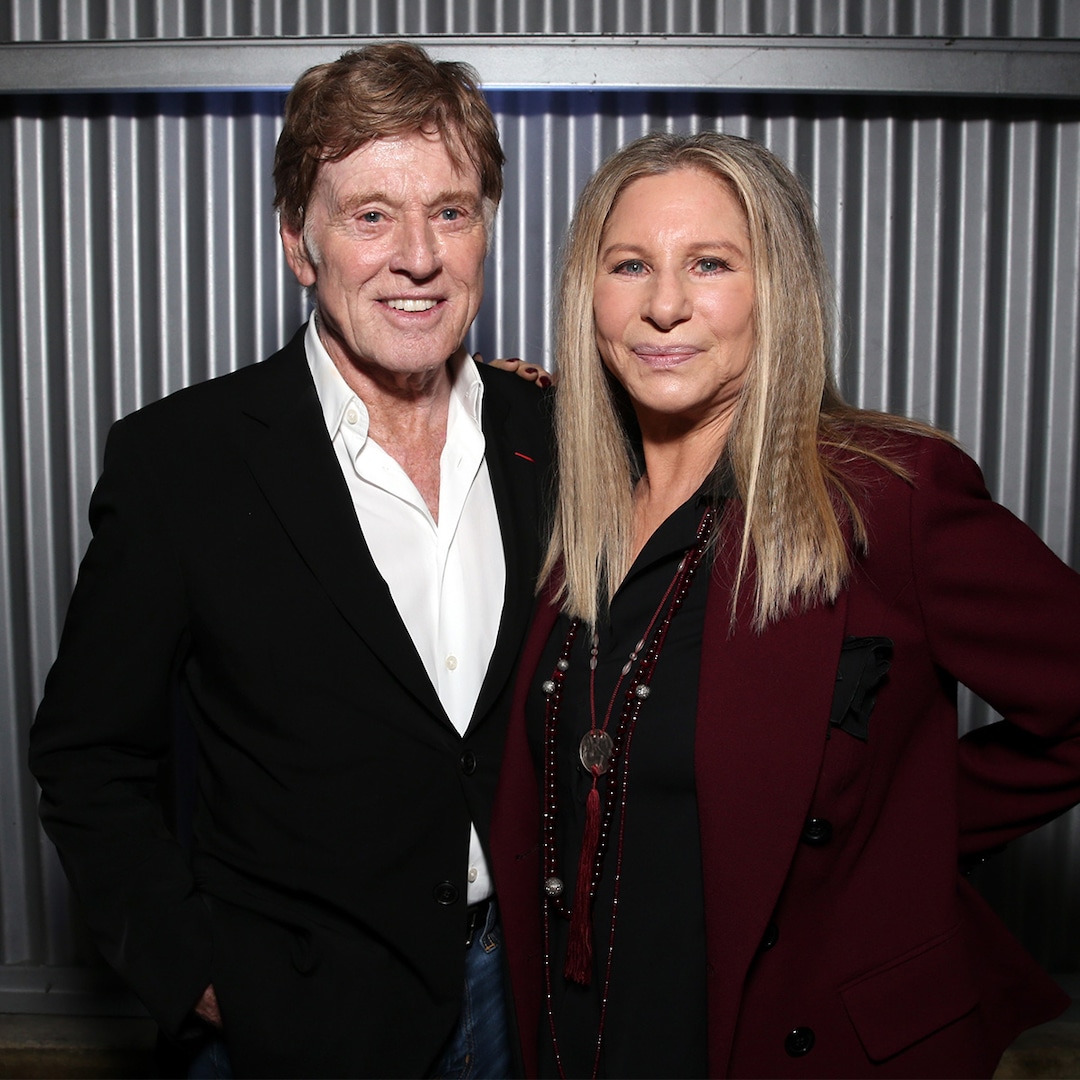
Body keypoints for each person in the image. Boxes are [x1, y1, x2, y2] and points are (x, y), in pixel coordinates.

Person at [489, 130, 1080, 1078]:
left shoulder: (887, 496)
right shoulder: (570, 510)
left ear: (779, 293)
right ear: (587, 298)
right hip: (583, 1037)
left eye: (710, 264)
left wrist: (902, 831)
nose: (666, 305)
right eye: (630, 264)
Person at [29, 41, 551, 1078]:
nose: (418, 255)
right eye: (370, 214)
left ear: (487, 227)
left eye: (451, 210)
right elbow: (89, 757)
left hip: (525, 1000)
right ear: (297, 244)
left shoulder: (558, 433)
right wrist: (194, 975)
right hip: (299, 1021)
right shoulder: (182, 463)